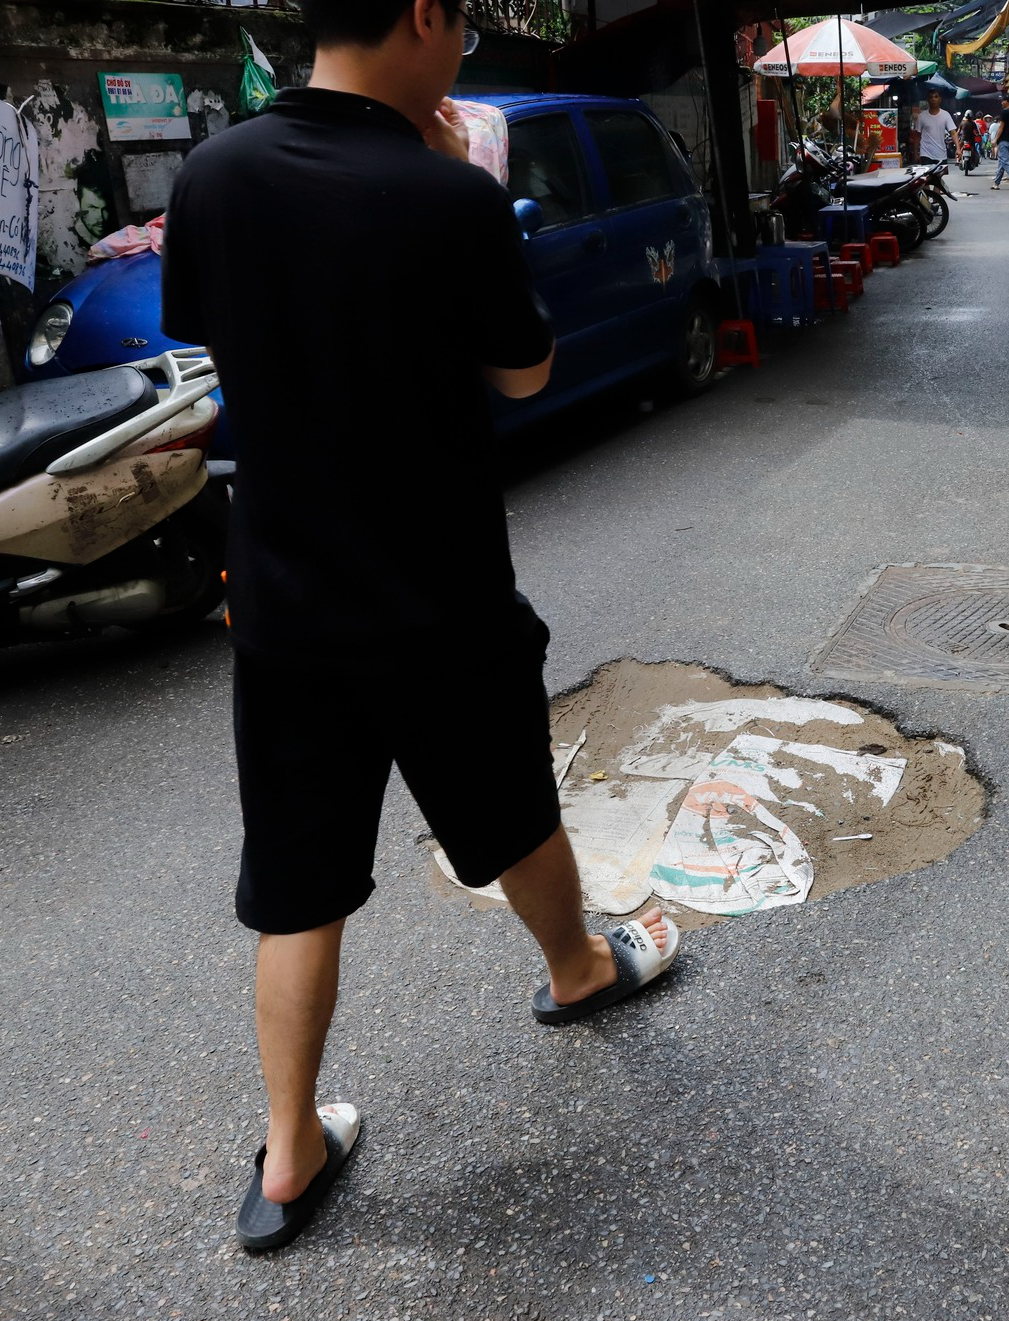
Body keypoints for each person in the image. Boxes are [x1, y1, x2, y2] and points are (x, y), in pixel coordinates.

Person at [161, 0, 683, 1253]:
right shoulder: (443, 190)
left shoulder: (214, 171)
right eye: (459, 21)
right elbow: (524, 373)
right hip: (438, 591)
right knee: (507, 814)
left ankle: (289, 1156)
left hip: (284, 601)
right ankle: (578, 970)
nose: (463, 53)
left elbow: (204, 338)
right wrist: (454, 190)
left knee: (297, 886)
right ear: (419, 17)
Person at [911, 89, 955, 165]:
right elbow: (917, 136)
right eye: (931, 97)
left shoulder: (945, 115)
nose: (933, 99)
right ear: (928, 100)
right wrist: (915, 153)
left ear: (940, 99)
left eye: (936, 97)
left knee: (939, 176)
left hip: (941, 154)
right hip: (926, 154)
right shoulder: (922, 116)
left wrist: (958, 149)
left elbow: (953, 132)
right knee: (927, 176)